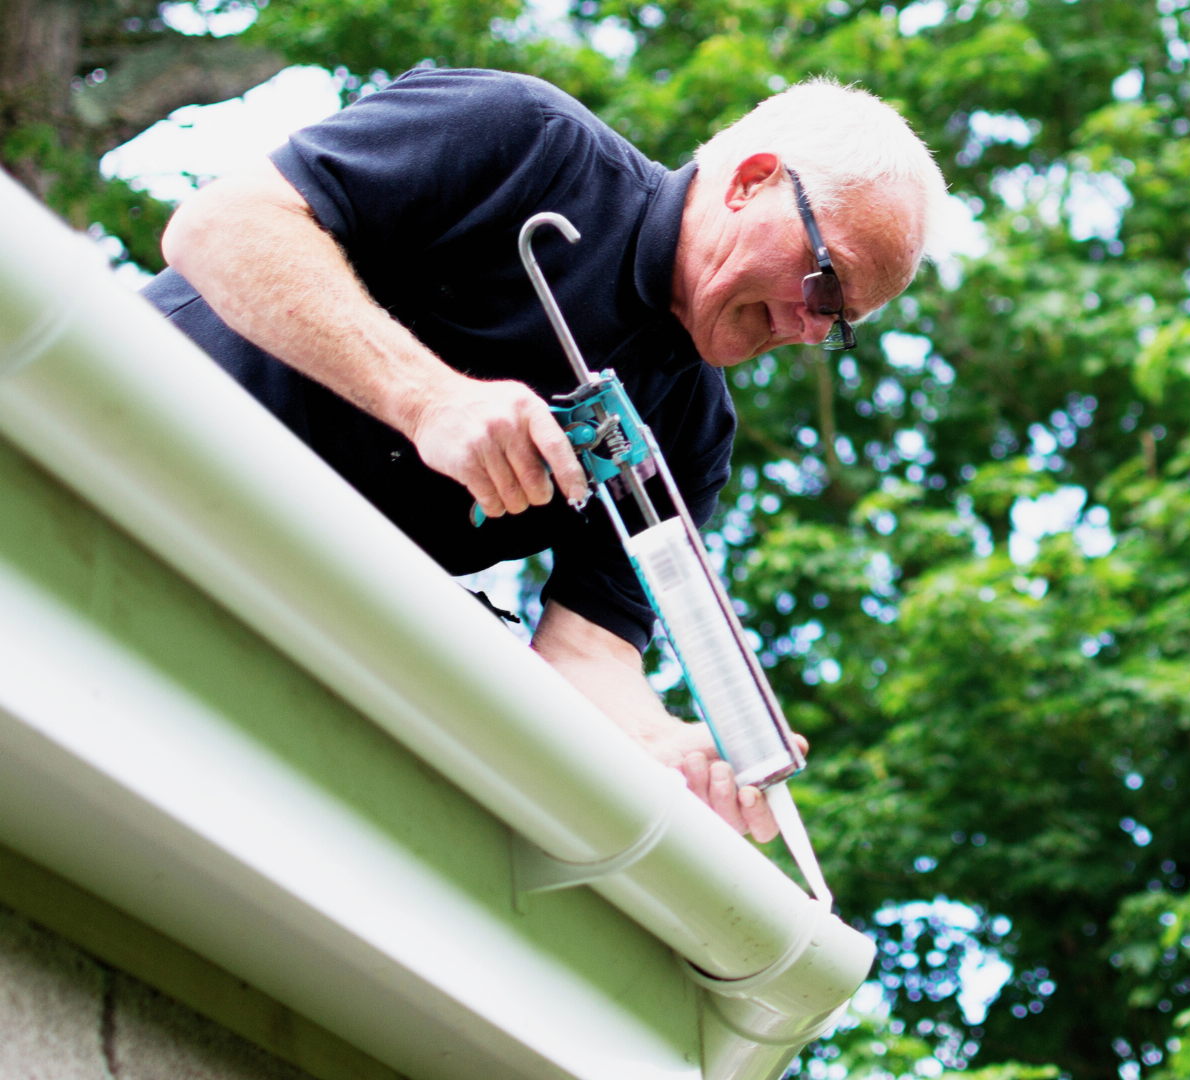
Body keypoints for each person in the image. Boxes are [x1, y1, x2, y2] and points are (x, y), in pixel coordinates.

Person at [144, 69, 944, 842]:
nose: (810, 330)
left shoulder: (693, 435)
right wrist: (428, 398)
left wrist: (665, 746)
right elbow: (218, 228)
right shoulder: (523, 138)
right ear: (752, 181)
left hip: (267, 630)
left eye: (838, 324)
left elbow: (586, 649)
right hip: (122, 449)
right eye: (826, 286)